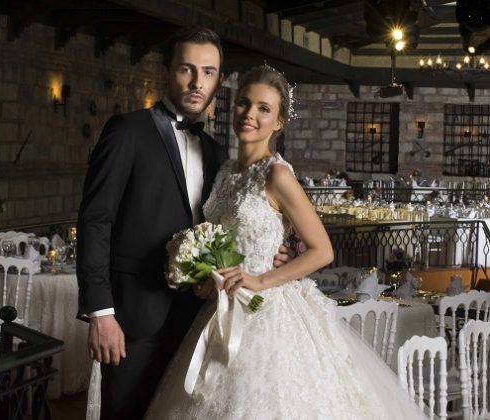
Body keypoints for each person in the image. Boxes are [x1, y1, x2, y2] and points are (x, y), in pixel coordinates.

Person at [144, 65, 429, 419]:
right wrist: (208, 277)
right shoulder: (225, 172)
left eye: (263, 108)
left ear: (278, 122)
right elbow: (223, 242)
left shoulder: (277, 174)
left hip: (268, 311)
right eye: (244, 103)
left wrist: (259, 279)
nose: (249, 114)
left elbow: (322, 250)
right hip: (221, 309)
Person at [76, 28, 291, 420]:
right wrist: (101, 313)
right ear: (167, 72)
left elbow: (230, 225)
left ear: (218, 81)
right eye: (186, 69)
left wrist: (270, 252)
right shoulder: (127, 131)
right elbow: (95, 222)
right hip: (133, 319)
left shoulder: (218, 155)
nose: (197, 82)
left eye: (208, 72)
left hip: (199, 317)